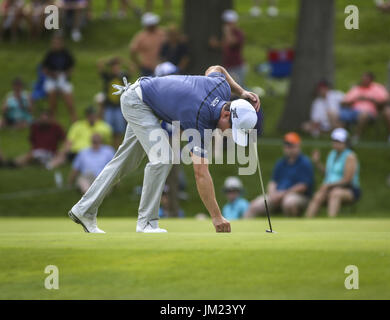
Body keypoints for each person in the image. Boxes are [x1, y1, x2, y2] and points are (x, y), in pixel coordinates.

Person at [68, 65, 260, 233]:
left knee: (124, 163)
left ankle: (84, 210)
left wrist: (242, 92)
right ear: (226, 114)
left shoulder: (222, 88)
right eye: (231, 128)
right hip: (138, 101)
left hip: (146, 101)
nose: (228, 133)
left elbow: (217, 69)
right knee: (164, 157)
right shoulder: (198, 115)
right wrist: (217, 217)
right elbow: (200, 173)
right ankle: (147, 223)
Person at [244, 132, 314, 218]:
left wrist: (283, 194)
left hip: (298, 196)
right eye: (286, 146)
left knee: (289, 202)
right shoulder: (280, 163)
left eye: (291, 146)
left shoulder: (305, 163)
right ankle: (245, 229)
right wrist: (272, 194)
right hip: (276, 195)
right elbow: (273, 182)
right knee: (254, 205)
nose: (288, 148)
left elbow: (303, 186)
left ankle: (293, 228)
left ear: (298, 146)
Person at [305, 128, 361, 218]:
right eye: (334, 141)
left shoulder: (350, 156)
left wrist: (329, 185)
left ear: (346, 142)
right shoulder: (332, 154)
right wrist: (317, 162)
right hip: (331, 187)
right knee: (318, 196)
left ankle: (331, 221)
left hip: (350, 189)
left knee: (335, 194)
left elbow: (347, 180)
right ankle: (307, 221)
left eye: (339, 141)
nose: (336, 143)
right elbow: (328, 174)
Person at [48, 106, 112, 169]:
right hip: (76, 152)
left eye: (93, 115)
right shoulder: (78, 125)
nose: (91, 117)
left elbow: (107, 143)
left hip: (93, 152)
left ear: (96, 115)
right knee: (63, 154)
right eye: (89, 115)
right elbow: (69, 141)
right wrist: (64, 151)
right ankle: (50, 165)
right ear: (86, 116)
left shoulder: (104, 127)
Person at [339, 72, 389, 142]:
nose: (364, 80)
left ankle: (356, 136)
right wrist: (355, 99)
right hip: (353, 111)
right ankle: (340, 138)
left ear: (371, 80)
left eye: (366, 78)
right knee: (338, 114)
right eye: (363, 78)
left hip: (369, 113)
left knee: (363, 115)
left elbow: (385, 101)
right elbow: (343, 102)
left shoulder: (377, 88)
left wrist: (372, 100)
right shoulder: (356, 89)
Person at [42, 35, 77, 122]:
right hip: (51, 79)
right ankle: (53, 118)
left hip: (63, 78)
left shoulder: (66, 54)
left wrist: (65, 74)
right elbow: (44, 69)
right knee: (52, 94)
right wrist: (52, 74)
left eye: (58, 43)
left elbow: (72, 67)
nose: (56, 45)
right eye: (54, 43)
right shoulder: (49, 54)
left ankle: (74, 119)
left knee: (69, 101)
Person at [97, 57, 130, 149]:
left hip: (119, 107)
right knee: (108, 130)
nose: (116, 69)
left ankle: (117, 148)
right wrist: (107, 61)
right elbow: (99, 65)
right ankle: (110, 149)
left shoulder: (123, 77)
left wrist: (123, 61)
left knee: (119, 131)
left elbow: (132, 68)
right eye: (114, 67)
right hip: (109, 107)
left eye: (117, 67)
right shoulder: (108, 76)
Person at [209, 10, 246, 87]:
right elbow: (225, 45)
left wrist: (227, 31)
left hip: (237, 66)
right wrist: (216, 44)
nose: (227, 25)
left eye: (229, 23)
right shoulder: (226, 34)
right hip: (227, 65)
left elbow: (231, 42)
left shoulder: (238, 33)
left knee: (238, 87)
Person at [129, 12, 166, 77]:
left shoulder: (162, 33)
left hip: (161, 66)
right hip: (147, 68)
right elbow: (132, 51)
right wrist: (138, 64)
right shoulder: (141, 37)